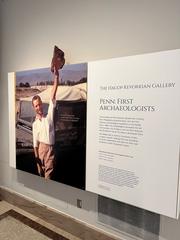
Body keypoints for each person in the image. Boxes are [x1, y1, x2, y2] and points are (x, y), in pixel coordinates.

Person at [32, 47, 65, 179]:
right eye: (36, 106)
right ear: (34, 108)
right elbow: (35, 144)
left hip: (50, 150)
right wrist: (37, 163)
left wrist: (56, 75)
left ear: (42, 104)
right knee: (41, 175)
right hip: (40, 150)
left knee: (48, 177)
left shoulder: (49, 116)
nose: (38, 107)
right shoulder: (35, 124)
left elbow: (53, 92)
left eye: (39, 104)